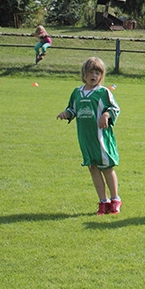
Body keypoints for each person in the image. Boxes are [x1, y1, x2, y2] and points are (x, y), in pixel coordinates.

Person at [57, 57, 122, 215]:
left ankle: (115, 199)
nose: (94, 76)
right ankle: (103, 201)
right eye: (91, 72)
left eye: (97, 73)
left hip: (101, 138)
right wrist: (66, 113)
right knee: (93, 167)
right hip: (85, 138)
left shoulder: (103, 92)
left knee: (107, 167)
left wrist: (106, 115)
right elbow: (73, 109)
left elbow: (115, 108)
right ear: (84, 74)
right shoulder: (77, 92)